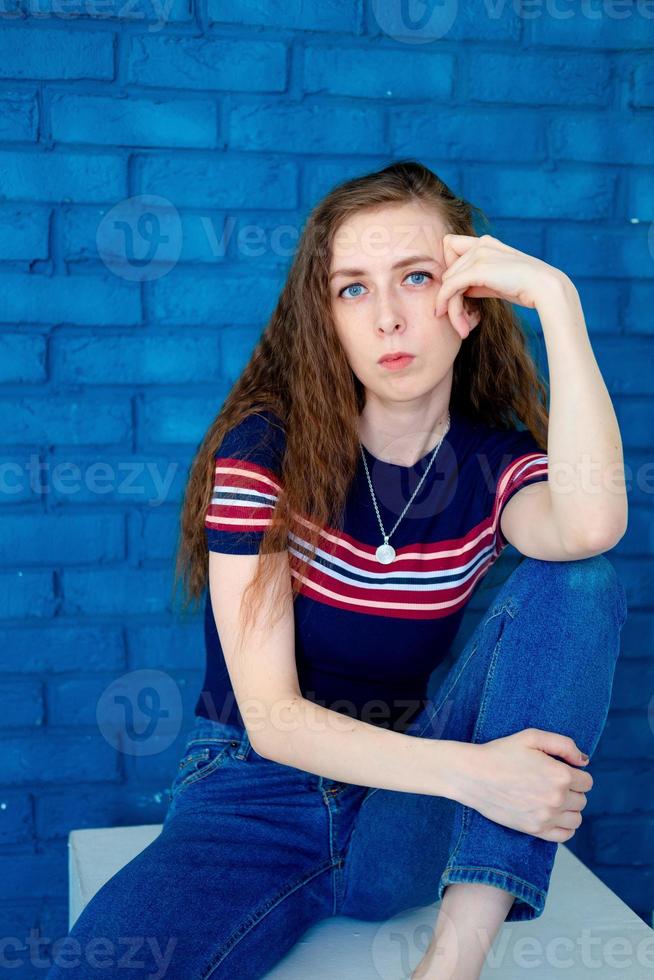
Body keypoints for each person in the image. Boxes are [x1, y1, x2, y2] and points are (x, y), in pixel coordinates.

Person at [45, 160, 628, 980]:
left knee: (580, 578)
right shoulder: (263, 454)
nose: (388, 318)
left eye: (416, 278)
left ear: (466, 301)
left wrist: (559, 305)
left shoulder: (493, 465)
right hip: (252, 797)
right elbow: (275, 720)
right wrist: (483, 777)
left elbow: (592, 526)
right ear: (326, 318)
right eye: (353, 289)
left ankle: (451, 964)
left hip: (406, 813)